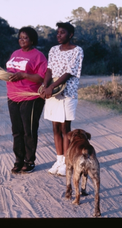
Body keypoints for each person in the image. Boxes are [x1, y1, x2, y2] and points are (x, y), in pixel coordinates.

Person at [40, 21, 84, 176]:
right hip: (53, 93)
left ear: (70, 35)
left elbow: (69, 72)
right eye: (57, 32)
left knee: (66, 129)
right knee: (55, 128)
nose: (59, 35)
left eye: (62, 33)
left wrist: (52, 87)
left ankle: (67, 162)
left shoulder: (77, 50)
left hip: (67, 92)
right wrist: (45, 86)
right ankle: (59, 161)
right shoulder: (53, 50)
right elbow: (49, 69)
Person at [6, 27, 47, 174]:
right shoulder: (15, 54)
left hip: (31, 97)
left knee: (28, 131)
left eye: (25, 38)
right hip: (13, 96)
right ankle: (19, 160)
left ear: (32, 40)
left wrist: (23, 75)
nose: (22, 40)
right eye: (20, 37)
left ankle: (29, 161)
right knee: (16, 131)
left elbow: (41, 77)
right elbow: (11, 71)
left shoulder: (38, 56)